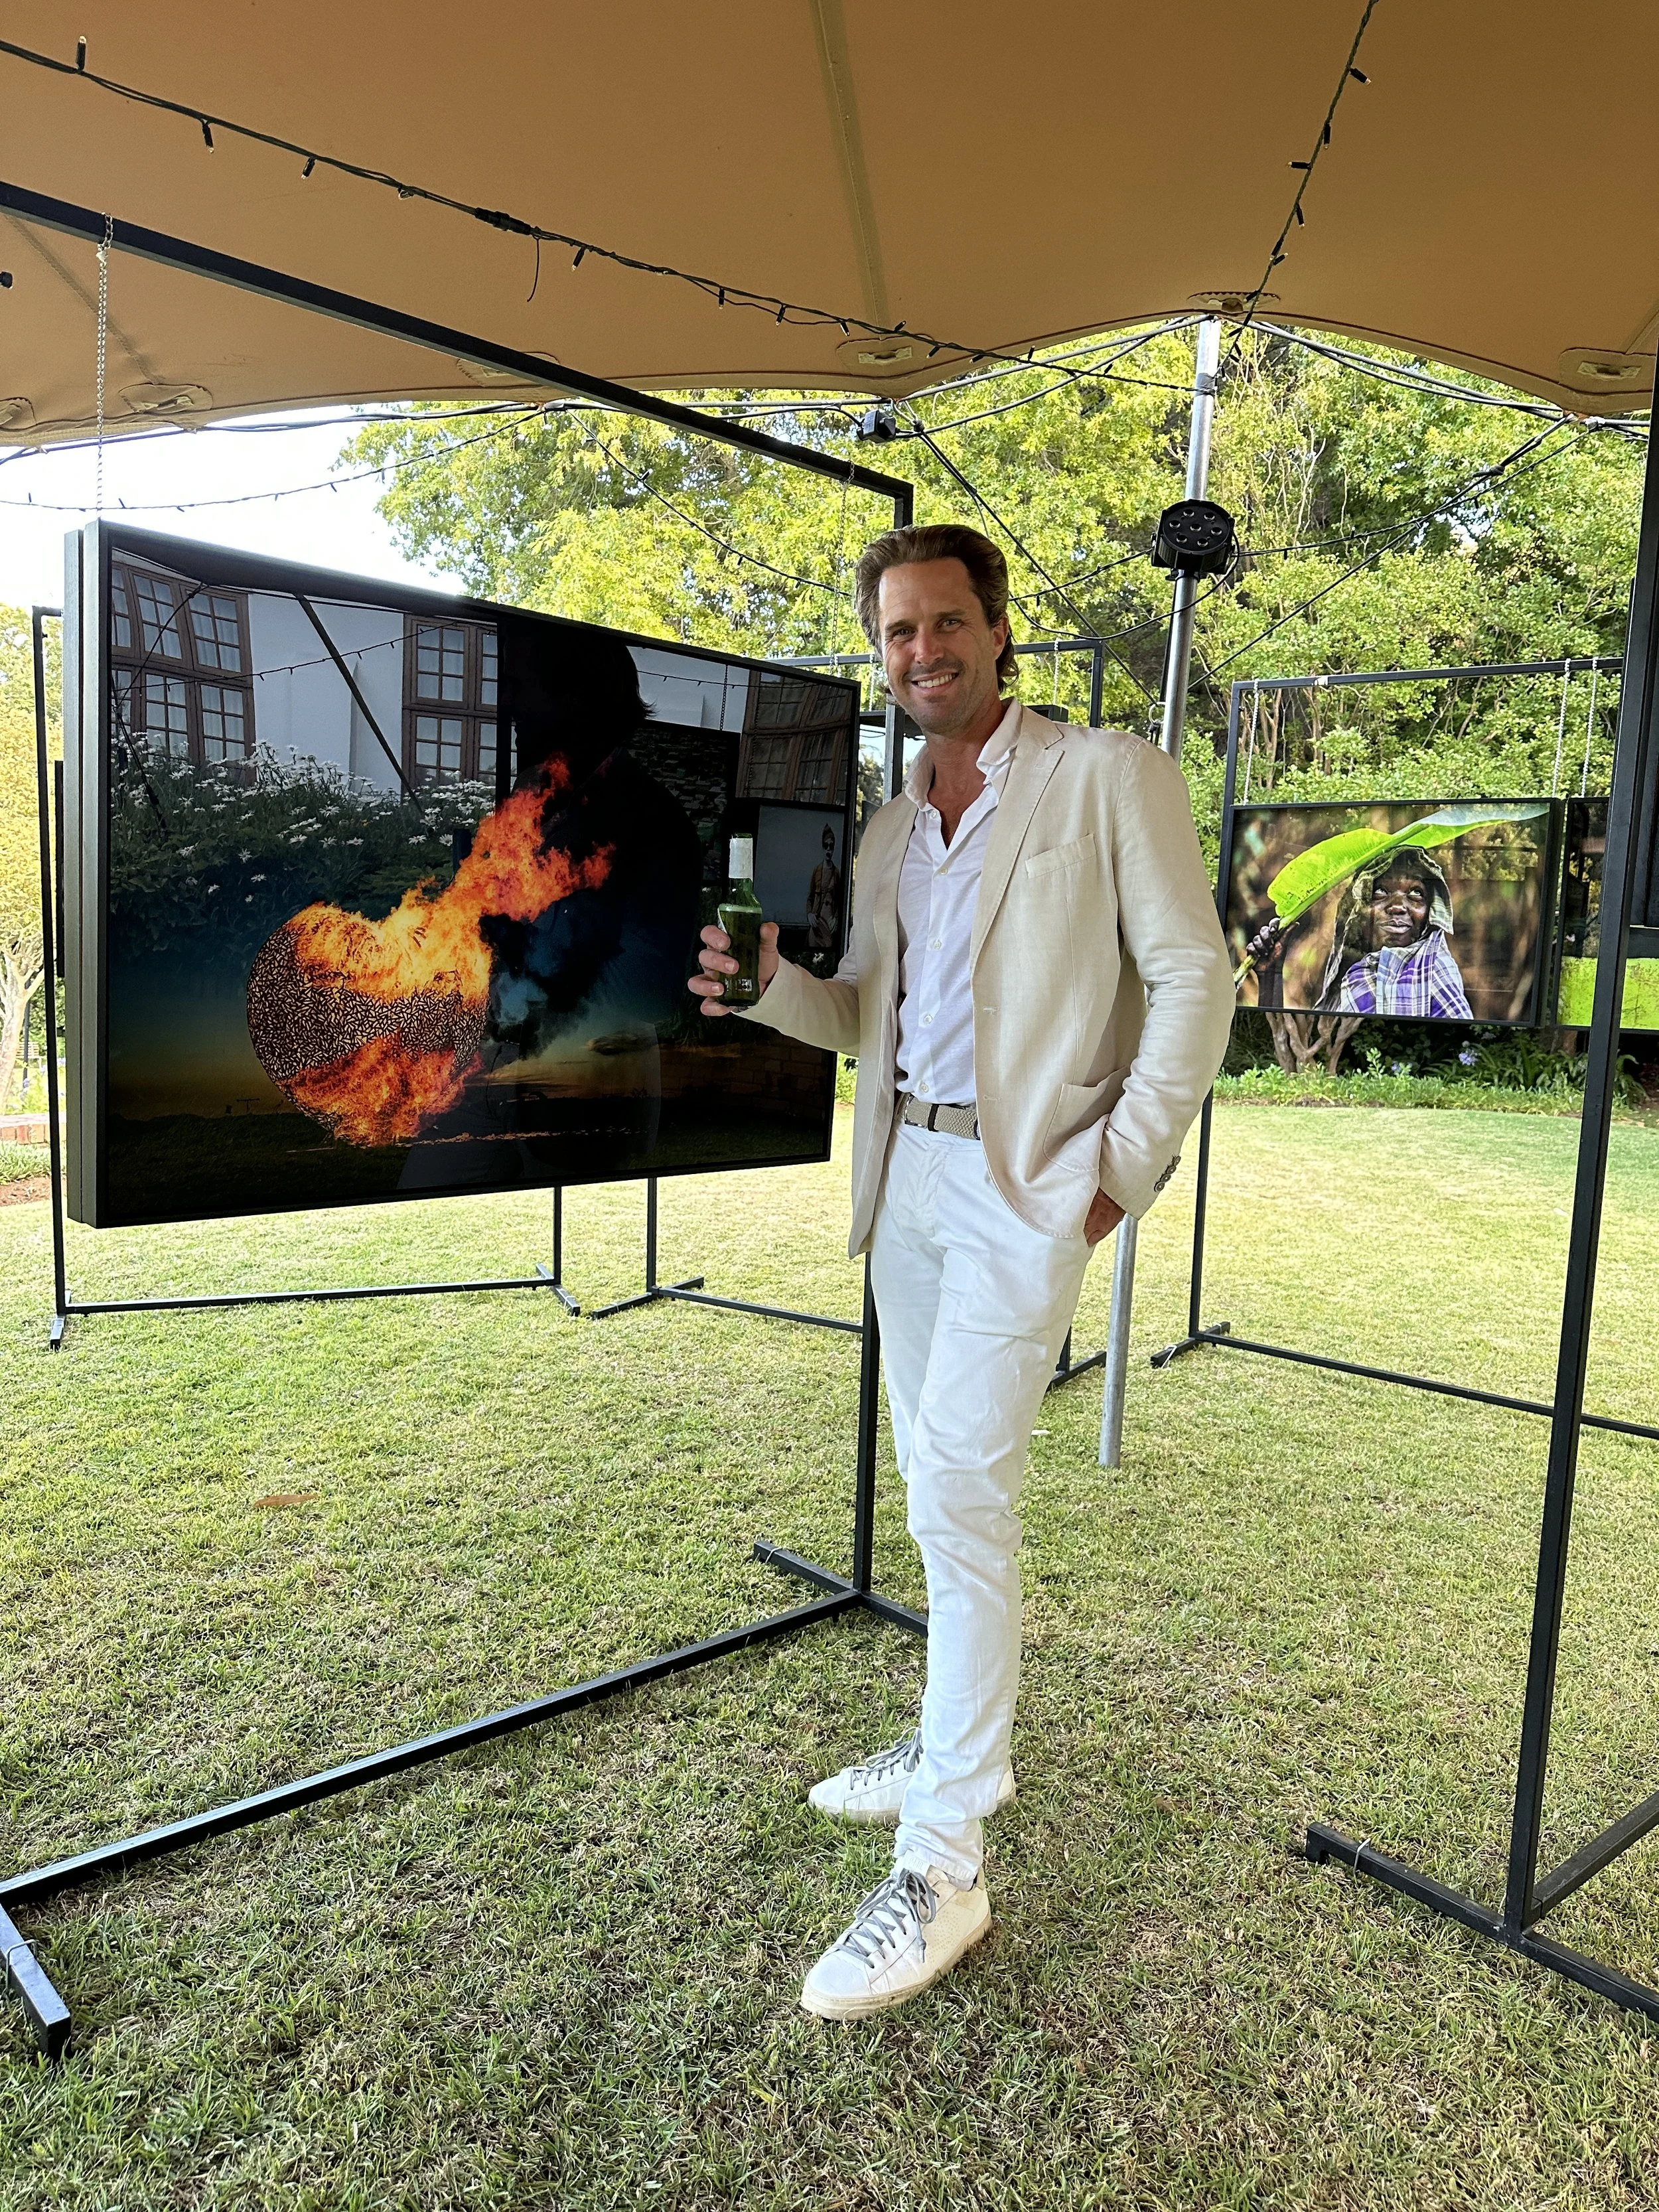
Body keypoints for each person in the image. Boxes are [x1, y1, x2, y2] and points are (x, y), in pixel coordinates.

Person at [690, 522, 1236, 2020]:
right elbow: (865, 1017)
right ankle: (946, 1737)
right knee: (935, 1480)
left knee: (957, 1493)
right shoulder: (886, 831)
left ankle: (944, 1862)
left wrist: (1116, 1173)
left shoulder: (1106, 774)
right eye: (895, 631)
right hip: (905, 1179)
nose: (919, 650)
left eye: (943, 622)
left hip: (1023, 1188)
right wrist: (770, 989)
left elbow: (1194, 975)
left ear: (997, 631)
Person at [1318, 849, 1472, 1018]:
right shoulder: (1343, 974)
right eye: (1381, 891)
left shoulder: (1435, 973)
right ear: (1358, 910)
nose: (1398, 906)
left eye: (1416, 893)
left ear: (1430, 913)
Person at [805, 821, 842, 957]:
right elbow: (810, 897)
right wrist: (809, 914)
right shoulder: (817, 870)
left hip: (829, 923)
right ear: (822, 847)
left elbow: (839, 900)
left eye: (831, 846)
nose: (828, 850)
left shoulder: (836, 873)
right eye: (826, 846)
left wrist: (836, 920)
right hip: (816, 921)